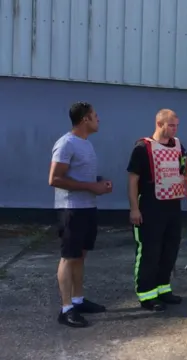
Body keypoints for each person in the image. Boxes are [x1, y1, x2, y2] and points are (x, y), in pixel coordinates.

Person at [48, 102, 112, 328]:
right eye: (95, 115)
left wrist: (98, 184)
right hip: (71, 209)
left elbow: (82, 179)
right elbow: (54, 179)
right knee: (69, 256)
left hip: (87, 208)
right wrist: (90, 187)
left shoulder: (86, 144)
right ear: (85, 119)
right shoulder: (66, 143)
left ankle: (78, 300)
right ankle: (66, 309)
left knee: (80, 255)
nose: (98, 119)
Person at [126, 109, 187, 311]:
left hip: (172, 205)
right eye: (171, 125)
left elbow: (185, 168)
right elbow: (133, 180)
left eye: (176, 125)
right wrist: (134, 209)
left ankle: (163, 288)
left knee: (169, 250)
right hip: (151, 205)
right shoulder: (143, 148)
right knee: (149, 252)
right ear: (160, 124)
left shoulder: (178, 146)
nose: (175, 129)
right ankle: (146, 294)